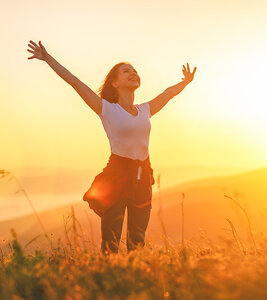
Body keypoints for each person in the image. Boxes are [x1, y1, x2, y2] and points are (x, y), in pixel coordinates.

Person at [27, 40, 197, 254]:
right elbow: (74, 82)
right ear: (115, 83)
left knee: (137, 241)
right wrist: (48, 58)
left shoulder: (145, 110)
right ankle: (108, 281)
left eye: (135, 71)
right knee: (111, 242)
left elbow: (168, 94)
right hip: (116, 176)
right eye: (126, 71)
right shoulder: (105, 108)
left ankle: (134, 280)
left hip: (143, 176)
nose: (133, 73)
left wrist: (186, 82)